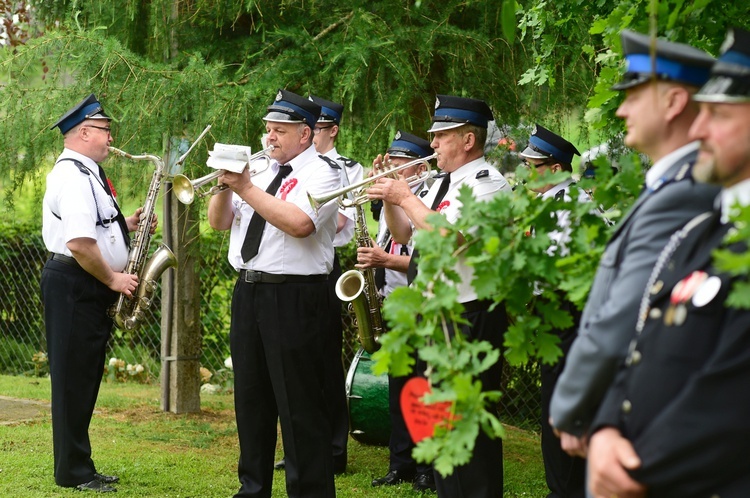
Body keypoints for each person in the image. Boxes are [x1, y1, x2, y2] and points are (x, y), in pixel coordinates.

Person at [587, 26, 750, 498]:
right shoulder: (702, 231)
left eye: (718, 114)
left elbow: (730, 400)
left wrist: (633, 472)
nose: (698, 128)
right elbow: (643, 339)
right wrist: (604, 429)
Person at [549, 30, 721, 457]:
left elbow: (625, 315)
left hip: (644, 417)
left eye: (633, 95)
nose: (622, 108)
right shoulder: (672, 185)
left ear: (673, 102)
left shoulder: (682, 192)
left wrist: (571, 404)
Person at [367, 94, 511, 497]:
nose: (432, 145)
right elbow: (404, 236)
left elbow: (452, 237)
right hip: (438, 314)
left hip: (469, 315)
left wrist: (405, 197)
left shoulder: (488, 184)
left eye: (441, 136)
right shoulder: (438, 184)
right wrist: (389, 199)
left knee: (470, 426)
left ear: (468, 139)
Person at [207, 89, 341, 498]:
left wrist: (245, 187)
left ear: (305, 133)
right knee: (250, 401)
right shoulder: (260, 170)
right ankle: (252, 489)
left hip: (296, 297)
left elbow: (300, 223)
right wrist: (224, 186)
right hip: (249, 292)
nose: (270, 138)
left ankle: (310, 492)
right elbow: (218, 223)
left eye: (280, 131)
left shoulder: (324, 172)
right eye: (268, 129)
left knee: (299, 405)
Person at [42, 93, 147, 492]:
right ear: (84, 132)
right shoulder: (72, 176)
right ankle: (72, 472)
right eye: (105, 130)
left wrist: (130, 225)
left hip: (82, 284)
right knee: (73, 381)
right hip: (76, 283)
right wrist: (114, 280)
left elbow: (98, 229)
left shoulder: (88, 173)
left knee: (83, 378)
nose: (110, 136)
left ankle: (79, 463)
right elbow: (81, 244)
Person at [271, 94, 363, 475]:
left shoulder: (343, 169)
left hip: (319, 268)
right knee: (295, 369)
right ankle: (303, 447)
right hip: (285, 268)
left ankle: (334, 448)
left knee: (324, 360)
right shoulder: (277, 167)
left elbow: (338, 222)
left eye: (319, 125)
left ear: (325, 130)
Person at [356, 130, 436, 489]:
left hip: (423, 303)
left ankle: (426, 467)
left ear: (421, 167)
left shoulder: (429, 201)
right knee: (399, 388)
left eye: (402, 163)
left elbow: (418, 257)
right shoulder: (397, 202)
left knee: (423, 387)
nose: (395, 168)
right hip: (395, 304)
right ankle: (400, 462)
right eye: (393, 161)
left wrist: (384, 259)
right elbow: (397, 238)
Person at [519, 125, 587, 498]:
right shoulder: (551, 202)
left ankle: (564, 489)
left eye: (534, 165)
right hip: (555, 312)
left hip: (567, 312)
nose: (527, 173)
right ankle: (565, 486)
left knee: (559, 406)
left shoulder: (568, 206)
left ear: (556, 168)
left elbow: (553, 270)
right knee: (556, 403)